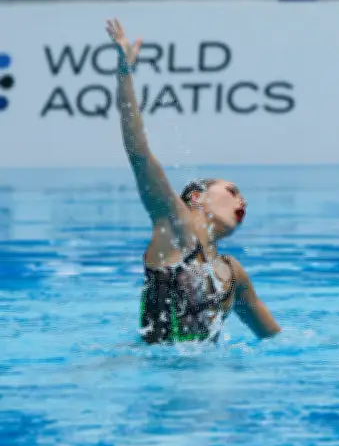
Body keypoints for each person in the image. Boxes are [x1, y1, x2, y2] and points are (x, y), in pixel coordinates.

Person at [106, 19, 281, 345]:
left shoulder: (233, 274)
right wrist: (125, 74)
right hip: (153, 378)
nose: (242, 202)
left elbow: (276, 339)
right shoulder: (174, 228)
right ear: (197, 198)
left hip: (208, 385)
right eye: (232, 192)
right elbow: (139, 153)